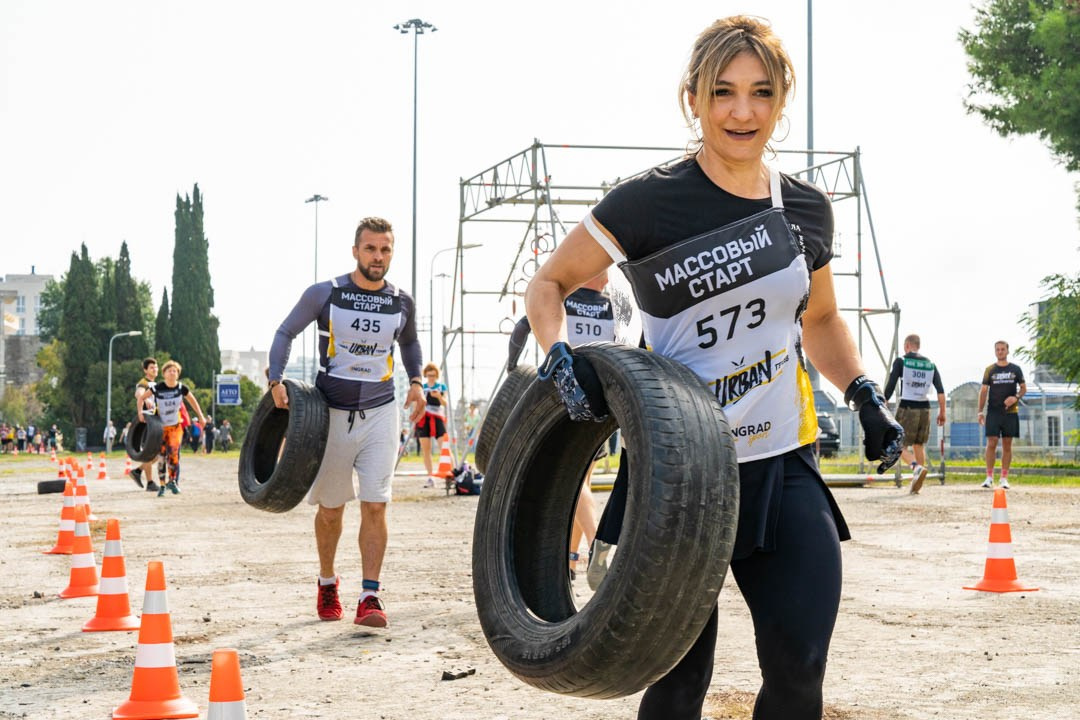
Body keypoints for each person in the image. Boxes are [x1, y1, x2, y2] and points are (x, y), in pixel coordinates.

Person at [524, 17, 903, 720]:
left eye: (761, 93)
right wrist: (558, 357)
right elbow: (549, 284)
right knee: (675, 682)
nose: (742, 111)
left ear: (781, 101)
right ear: (692, 98)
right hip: (678, 475)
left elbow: (818, 319)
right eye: (722, 92)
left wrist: (863, 390)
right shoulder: (646, 202)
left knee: (802, 669)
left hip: (781, 464)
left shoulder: (806, 208)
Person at [268, 216, 425, 628]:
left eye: (385, 249)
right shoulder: (327, 293)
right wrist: (274, 378)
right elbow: (285, 331)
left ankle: (370, 595)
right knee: (332, 511)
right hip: (331, 416)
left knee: (376, 504)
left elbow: (409, 343)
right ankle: (327, 581)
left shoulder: (401, 301)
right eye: (370, 248)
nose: (378, 256)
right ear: (355, 251)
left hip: (380, 414)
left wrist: (417, 382)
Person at [508, 270, 617, 583]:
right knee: (582, 480)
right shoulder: (614, 307)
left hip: (566, 399)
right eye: (605, 272)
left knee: (578, 483)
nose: (608, 279)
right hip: (607, 403)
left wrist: (512, 366)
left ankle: (597, 542)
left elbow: (521, 329)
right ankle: (570, 562)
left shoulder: (560, 298)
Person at [883, 334, 946, 494]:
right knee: (918, 445)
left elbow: (891, 383)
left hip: (907, 407)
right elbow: (940, 390)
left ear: (907, 346)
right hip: (925, 408)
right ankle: (917, 482)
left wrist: (883, 402)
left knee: (896, 443)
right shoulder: (930, 364)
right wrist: (942, 412)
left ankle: (916, 467)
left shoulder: (902, 361)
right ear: (918, 345)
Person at [140, 359, 206, 497]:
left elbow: (193, 401)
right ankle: (162, 485)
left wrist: (200, 416)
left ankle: (173, 481)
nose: (172, 373)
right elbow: (141, 398)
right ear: (164, 374)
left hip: (175, 428)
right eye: (169, 371)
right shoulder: (157, 387)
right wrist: (141, 412)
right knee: (162, 457)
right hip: (160, 428)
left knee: (174, 455)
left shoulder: (181, 388)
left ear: (178, 374)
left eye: (174, 371)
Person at [977, 340, 1026, 489]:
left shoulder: (1016, 369)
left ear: (1007, 351)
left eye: (1002, 349)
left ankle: (1004, 478)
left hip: (1010, 412)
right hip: (993, 412)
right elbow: (984, 391)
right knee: (991, 442)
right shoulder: (990, 370)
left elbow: (1023, 388)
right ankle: (989, 477)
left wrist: (1016, 397)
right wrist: (980, 411)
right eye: (997, 349)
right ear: (995, 351)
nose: (1000, 352)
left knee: (1007, 445)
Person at [127, 358, 166, 493]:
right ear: (145, 370)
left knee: (158, 453)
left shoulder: (158, 384)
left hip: (157, 421)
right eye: (151, 368)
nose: (154, 369)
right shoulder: (143, 382)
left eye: (156, 367)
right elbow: (138, 394)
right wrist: (146, 399)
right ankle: (150, 482)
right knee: (149, 451)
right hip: (146, 423)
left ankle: (138, 471)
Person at [416, 363, 450, 488]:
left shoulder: (441, 386)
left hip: (438, 418)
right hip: (424, 418)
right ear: (425, 375)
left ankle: (451, 474)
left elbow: (445, 403)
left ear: (437, 375)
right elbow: (417, 403)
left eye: (434, 375)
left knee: (444, 445)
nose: (431, 378)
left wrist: (438, 396)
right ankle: (430, 477)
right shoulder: (422, 387)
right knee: (426, 449)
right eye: (429, 375)